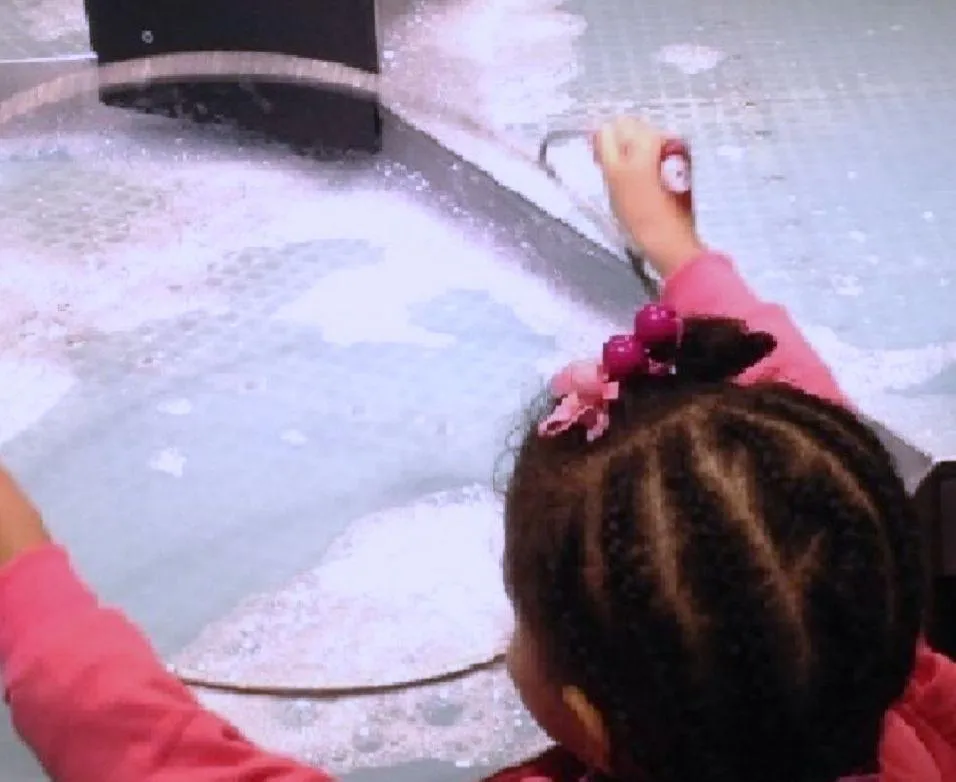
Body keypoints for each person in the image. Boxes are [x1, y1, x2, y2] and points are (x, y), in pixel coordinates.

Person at [0, 118, 952, 782]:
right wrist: (678, 248)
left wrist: (25, 585)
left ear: (584, 720)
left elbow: (143, 752)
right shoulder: (890, 676)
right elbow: (807, 465)